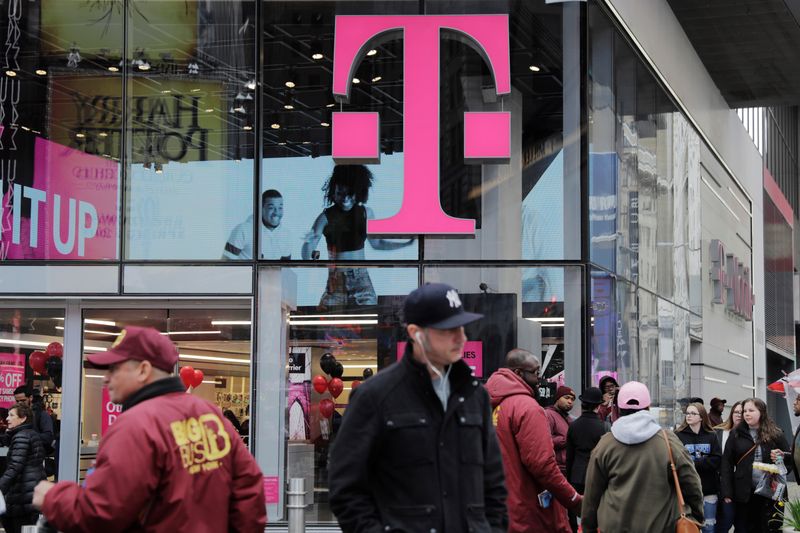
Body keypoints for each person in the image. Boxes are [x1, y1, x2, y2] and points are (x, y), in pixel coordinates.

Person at [32, 326, 266, 532]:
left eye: (114, 369)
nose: (106, 378)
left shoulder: (135, 426)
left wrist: (53, 499)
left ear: (143, 370)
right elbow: (250, 492)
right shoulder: (209, 414)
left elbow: (102, 513)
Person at [328, 283, 507, 532]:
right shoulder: (375, 397)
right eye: (448, 329)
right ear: (416, 333)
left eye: (462, 327)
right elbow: (345, 488)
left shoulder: (475, 396)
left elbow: (494, 484)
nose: (461, 338)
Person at [582, 381, 703, 533]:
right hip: (661, 527)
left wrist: (589, 528)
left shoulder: (605, 444)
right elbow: (692, 484)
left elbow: (591, 495)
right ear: (648, 408)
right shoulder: (668, 442)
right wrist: (696, 517)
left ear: (619, 409)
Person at [486, 349, 581, 533]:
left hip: (499, 509)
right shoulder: (528, 408)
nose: (539, 379)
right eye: (536, 372)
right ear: (519, 373)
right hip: (529, 512)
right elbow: (543, 465)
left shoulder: (488, 405)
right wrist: (573, 498)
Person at [301, 165, 414, 307]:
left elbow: (377, 244)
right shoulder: (325, 217)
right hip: (336, 279)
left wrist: (406, 244)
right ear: (333, 192)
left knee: (369, 317)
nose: (345, 199)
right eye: (340, 193)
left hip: (360, 277)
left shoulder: (366, 213)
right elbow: (307, 254)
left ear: (358, 192)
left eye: (350, 194)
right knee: (327, 320)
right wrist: (307, 243)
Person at [720, 397, 789, 533]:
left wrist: (780, 460)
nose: (746, 414)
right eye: (745, 411)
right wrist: (727, 492)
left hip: (771, 492)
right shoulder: (736, 434)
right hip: (745, 493)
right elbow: (726, 464)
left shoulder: (776, 433)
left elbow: (789, 459)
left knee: (769, 528)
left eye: (751, 410)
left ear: (761, 412)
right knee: (745, 528)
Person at [565, 386, 607, 533]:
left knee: (576, 511)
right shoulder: (603, 427)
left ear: (582, 404)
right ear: (598, 405)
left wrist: (568, 478)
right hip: (596, 476)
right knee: (595, 512)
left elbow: (569, 457)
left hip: (576, 474)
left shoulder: (573, 426)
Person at [676, 402, 722, 533]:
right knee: (688, 527)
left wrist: (693, 463)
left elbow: (717, 460)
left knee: (709, 527)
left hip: (708, 490)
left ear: (701, 417)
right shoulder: (678, 435)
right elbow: (677, 460)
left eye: (693, 413)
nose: (689, 416)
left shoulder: (711, 435)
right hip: (686, 490)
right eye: (687, 413)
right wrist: (704, 461)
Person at [0, 403, 45, 533]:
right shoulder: (31, 434)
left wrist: (1, 486)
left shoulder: (21, 436)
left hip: (22, 497)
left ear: (23, 418)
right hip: (29, 495)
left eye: (11, 415)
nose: (7, 419)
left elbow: (15, 466)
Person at [222, 189, 292, 260]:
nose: (276, 212)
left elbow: (285, 268)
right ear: (261, 208)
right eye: (271, 208)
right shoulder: (243, 230)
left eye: (280, 208)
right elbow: (225, 264)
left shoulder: (286, 234)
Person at [713, 400, 742, 533]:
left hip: (743, 484)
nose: (739, 415)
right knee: (725, 519)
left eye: (742, 412)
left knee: (742, 523)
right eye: (736, 412)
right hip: (722, 484)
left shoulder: (751, 435)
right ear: (731, 414)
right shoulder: (718, 432)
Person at [13, 386, 54, 456]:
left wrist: (27, 437)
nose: (20, 403)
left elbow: (48, 437)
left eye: (23, 400)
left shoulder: (41, 414)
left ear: (30, 398)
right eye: (17, 401)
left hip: (36, 456)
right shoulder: (16, 415)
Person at [544, 385, 575, 476]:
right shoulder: (548, 414)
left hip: (567, 467)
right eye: (566, 398)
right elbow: (546, 440)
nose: (570, 401)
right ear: (557, 399)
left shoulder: (568, 417)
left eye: (572, 399)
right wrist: (568, 439)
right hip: (556, 468)